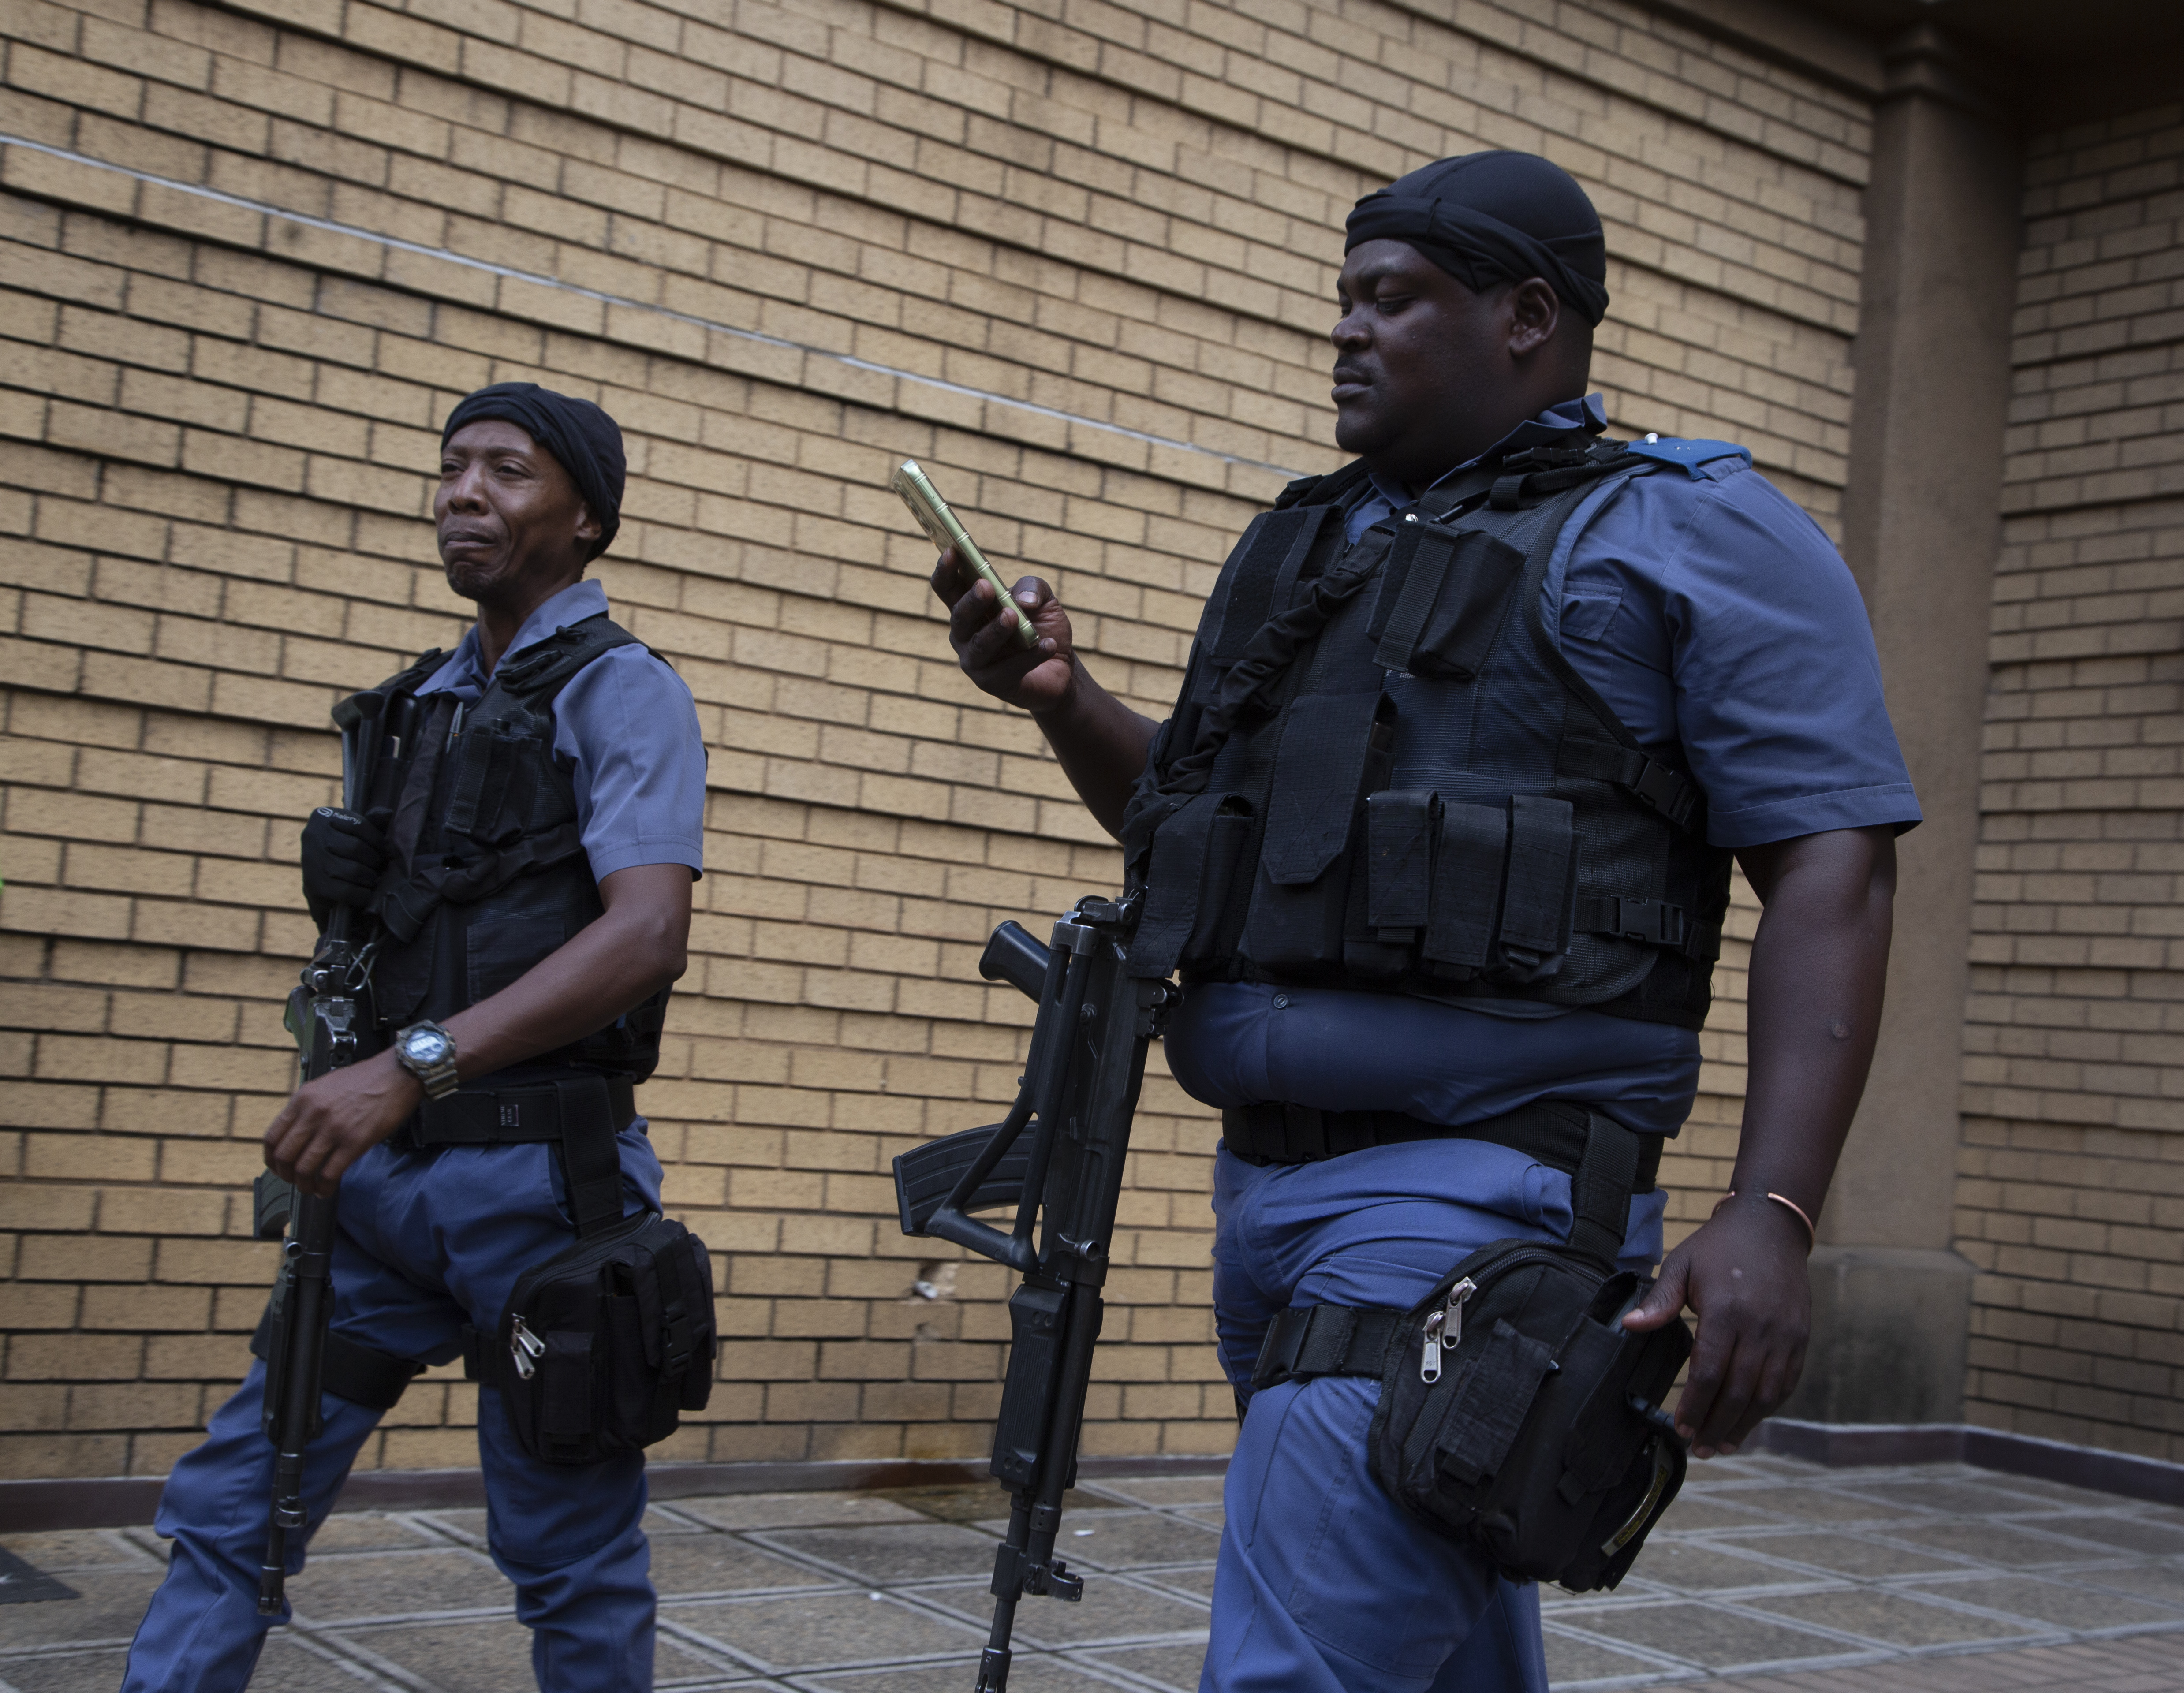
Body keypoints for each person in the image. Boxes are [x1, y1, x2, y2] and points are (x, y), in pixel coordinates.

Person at [936, 151, 1919, 1691]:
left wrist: (1777, 1211)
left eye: (1391, 299)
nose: (1346, 331)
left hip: (1472, 1210)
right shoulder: (1307, 549)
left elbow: (1835, 872)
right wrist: (1062, 701)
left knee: (1298, 1666)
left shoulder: (1693, 531)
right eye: (1343, 298)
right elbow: (1209, 849)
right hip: (1264, 1202)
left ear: (1527, 317)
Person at [121, 383, 706, 1693]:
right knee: (230, 1512)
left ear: (588, 520)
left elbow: (644, 936)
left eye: (507, 470)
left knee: (570, 1562)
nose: (462, 492)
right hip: (381, 1198)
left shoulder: (625, 691)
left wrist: (410, 1067)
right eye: (452, 467)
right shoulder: (412, 706)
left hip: (541, 1195)